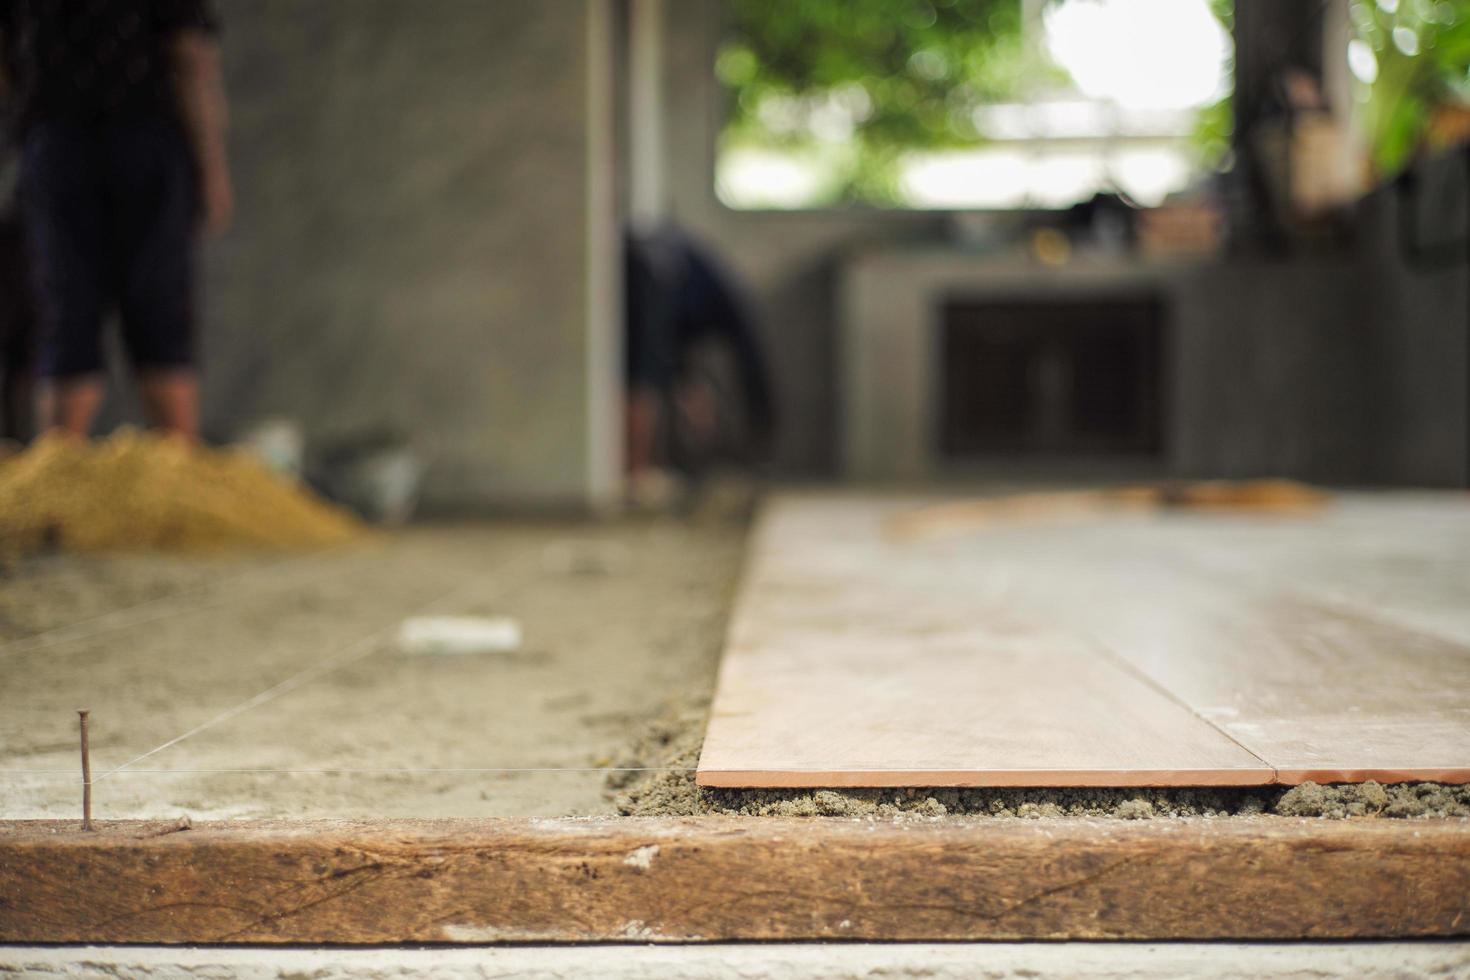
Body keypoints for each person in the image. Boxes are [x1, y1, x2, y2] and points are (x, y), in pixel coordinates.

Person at [0, 0, 232, 440]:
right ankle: (175, 483)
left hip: (56, 141)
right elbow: (190, 51)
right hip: (140, 139)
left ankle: (58, 487)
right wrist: (212, 168)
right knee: (160, 319)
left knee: (67, 320)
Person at [624, 224, 775, 494]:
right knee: (643, 374)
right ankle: (636, 472)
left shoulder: (704, 298)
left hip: (648, 268)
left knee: (645, 371)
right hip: (649, 270)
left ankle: (637, 468)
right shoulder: (730, 307)